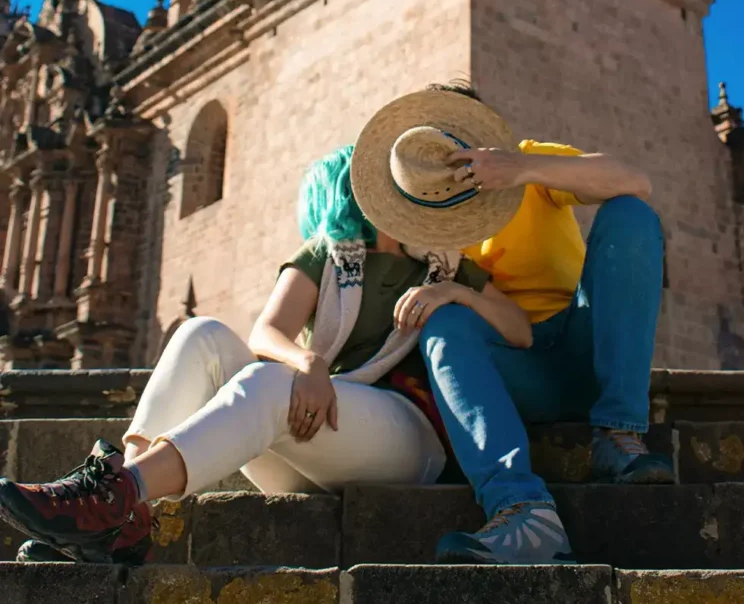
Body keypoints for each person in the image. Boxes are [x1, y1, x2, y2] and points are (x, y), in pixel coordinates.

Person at [0, 145, 530, 565]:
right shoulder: (328, 256)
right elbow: (267, 333)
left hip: (408, 437)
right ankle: (123, 516)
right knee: (201, 333)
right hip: (316, 429)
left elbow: (520, 331)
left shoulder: (443, 266)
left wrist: (455, 293)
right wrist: (310, 363)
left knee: (269, 385)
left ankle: (113, 499)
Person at [350, 84, 670, 566]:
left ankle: (619, 435)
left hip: (587, 345)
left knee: (631, 213)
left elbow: (635, 180)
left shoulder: (531, 164)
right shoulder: (421, 228)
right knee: (444, 324)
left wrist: (524, 168)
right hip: (514, 373)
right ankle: (522, 511)